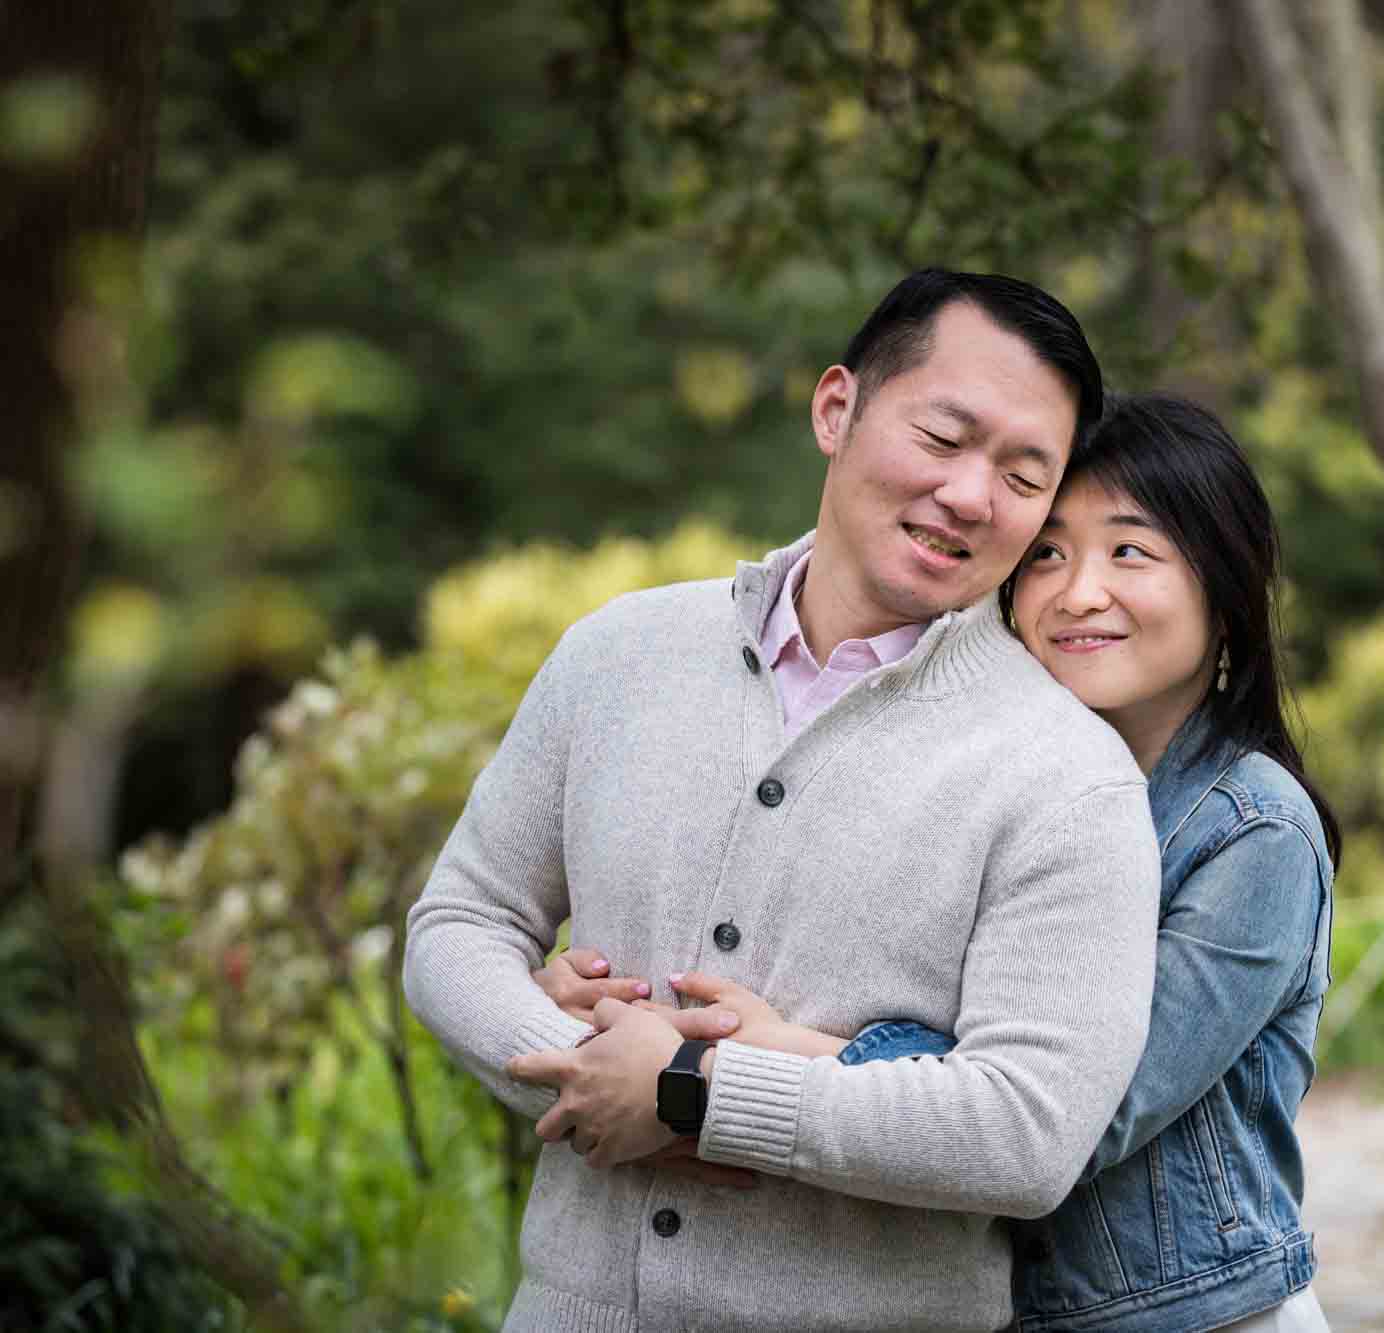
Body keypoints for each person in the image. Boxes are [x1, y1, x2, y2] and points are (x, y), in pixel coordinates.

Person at [403, 270, 1163, 1332]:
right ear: (835, 408)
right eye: (943, 439)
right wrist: (584, 1074)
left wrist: (695, 1097)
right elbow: (459, 921)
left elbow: (1026, 1131)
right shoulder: (617, 654)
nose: (971, 497)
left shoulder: (1067, 775)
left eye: (1022, 475)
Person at [545, 393, 1339, 1332]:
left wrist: (761, 1057)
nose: (1078, 591)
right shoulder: (1006, 789)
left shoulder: (1253, 832)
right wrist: (620, 994)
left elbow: (1080, 1113)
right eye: (1048, 553)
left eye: (1131, 551)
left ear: (1224, 586)